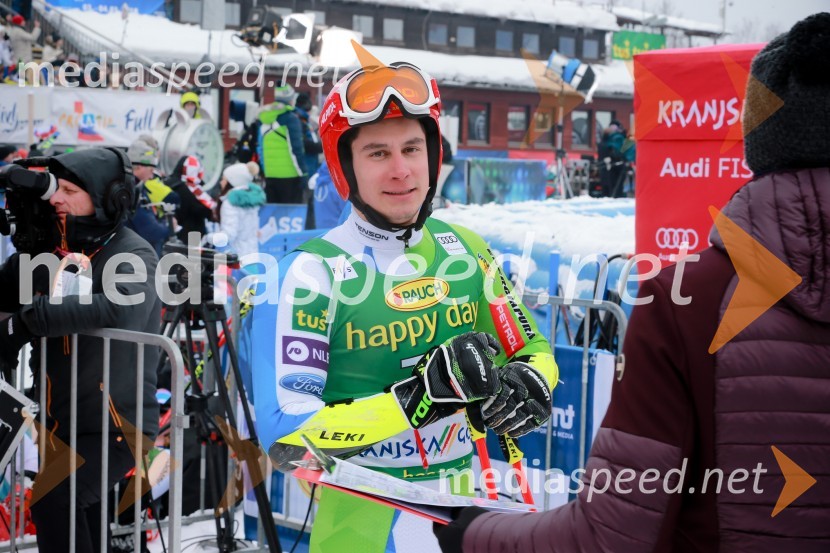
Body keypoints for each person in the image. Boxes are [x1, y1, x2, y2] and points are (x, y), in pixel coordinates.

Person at [433, 13, 830, 553]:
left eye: (414, 150)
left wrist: (473, 535)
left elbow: (612, 536)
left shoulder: (687, 299)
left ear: (759, 138)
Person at [251, 61, 558, 552]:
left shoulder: (466, 250)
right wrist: (418, 398)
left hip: (459, 511)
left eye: (413, 149)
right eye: (378, 153)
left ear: (433, 156)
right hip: (359, 523)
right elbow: (289, 440)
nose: (401, 169)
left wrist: (533, 380)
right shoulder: (307, 274)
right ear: (345, 167)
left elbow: (531, 346)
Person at [0, 148, 161, 552]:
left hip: (116, 427)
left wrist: (25, 323)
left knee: (55, 499)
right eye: (57, 189)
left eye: (71, 190)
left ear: (110, 197)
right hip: (60, 425)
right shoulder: (48, 252)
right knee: (82, 517)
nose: (57, 198)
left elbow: (114, 306)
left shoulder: (133, 252)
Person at [250, 84, 307, 204]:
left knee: (274, 217)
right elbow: (296, 149)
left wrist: (266, 171)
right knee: (291, 217)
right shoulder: (291, 119)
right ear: (290, 100)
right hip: (291, 177)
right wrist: (303, 173)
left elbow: (260, 148)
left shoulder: (263, 119)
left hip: (270, 176)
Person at [125, 137, 177, 255]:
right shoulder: (132, 190)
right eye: (151, 168)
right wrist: (169, 226)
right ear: (139, 167)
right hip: (136, 256)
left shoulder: (138, 186)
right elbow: (150, 231)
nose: (153, 172)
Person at [217, 161, 265, 258]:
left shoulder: (230, 203)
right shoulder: (252, 201)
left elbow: (229, 234)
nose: (221, 183)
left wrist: (210, 238)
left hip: (235, 260)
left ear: (232, 182)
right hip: (253, 257)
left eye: (224, 179)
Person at [166, 154, 216, 242]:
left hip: (177, 235)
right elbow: (199, 209)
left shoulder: (171, 183)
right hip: (189, 237)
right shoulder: (186, 188)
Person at [310, 160, 347, 229]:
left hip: (320, 231)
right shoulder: (338, 186)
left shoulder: (319, 183)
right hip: (337, 232)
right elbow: (347, 212)